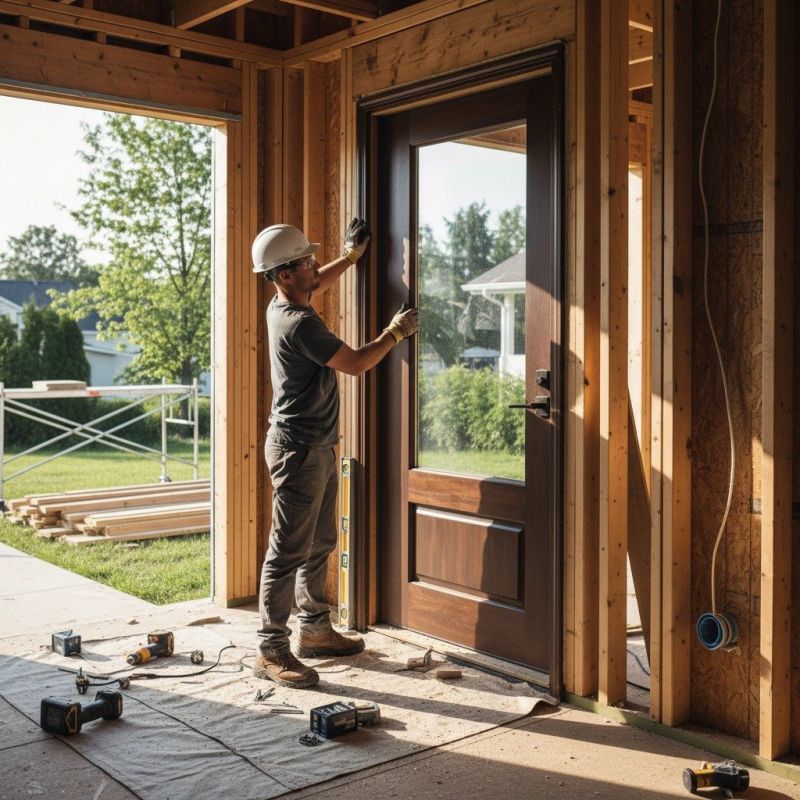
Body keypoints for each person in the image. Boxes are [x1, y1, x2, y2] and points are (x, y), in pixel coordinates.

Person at [250, 219, 419, 688]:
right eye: (306, 262)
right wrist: (396, 332)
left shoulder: (282, 301)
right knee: (287, 551)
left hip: (314, 446)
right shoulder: (300, 324)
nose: (313, 267)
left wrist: (350, 257)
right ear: (285, 275)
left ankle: (315, 631)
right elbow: (359, 363)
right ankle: (271, 648)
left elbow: (318, 281)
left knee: (319, 541)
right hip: (298, 450)